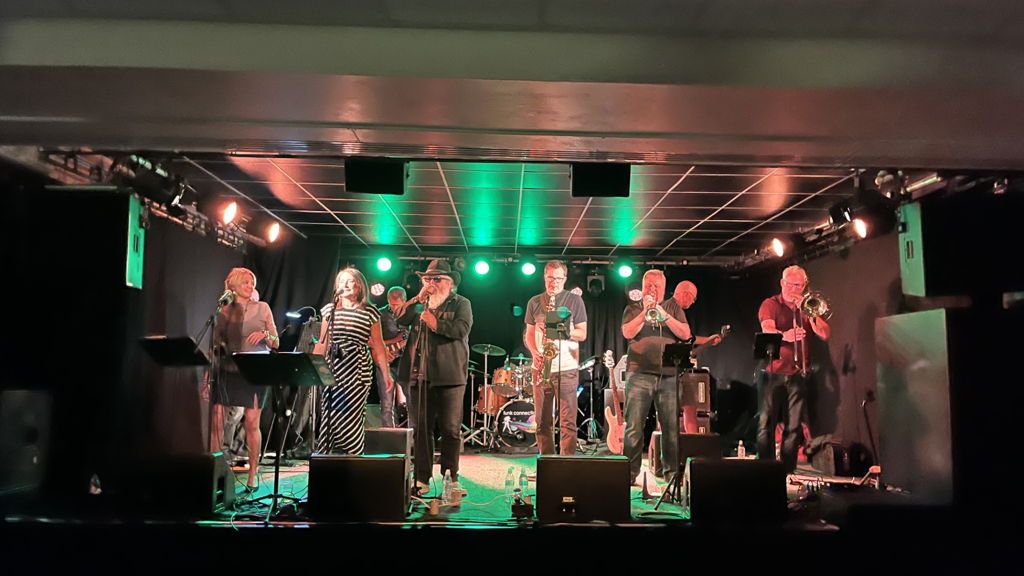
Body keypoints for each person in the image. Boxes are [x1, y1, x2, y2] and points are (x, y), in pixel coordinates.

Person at [396, 259, 473, 494]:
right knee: (421, 429)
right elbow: (400, 319)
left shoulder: (461, 303)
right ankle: (422, 478)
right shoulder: (420, 304)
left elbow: (462, 329)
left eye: (437, 279)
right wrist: (416, 300)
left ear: (450, 283)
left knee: (450, 430)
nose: (431, 283)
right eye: (427, 279)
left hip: (450, 376)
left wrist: (436, 324)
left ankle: (451, 476)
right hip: (419, 375)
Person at [757, 265, 831, 473]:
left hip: (798, 374)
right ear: (782, 283)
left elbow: (825, 334)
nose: (794, 289)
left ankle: (787, 471)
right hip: (772, 372)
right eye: (790, 285)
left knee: (794, 427)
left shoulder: (806, 306)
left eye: (798, 285)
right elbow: (767, 329)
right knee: (766, 425)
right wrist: (785, 336)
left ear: (805, 285)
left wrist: (810, 314)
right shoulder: (771, 304)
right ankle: (765, 469)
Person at [210, 267, 279, 490]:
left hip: (255, 370)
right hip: (228, 369)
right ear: (233, 285)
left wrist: (265, 335)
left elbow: (276, 341)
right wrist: (208, 374)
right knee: (217, 420)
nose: (250, 286)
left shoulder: (262, 308)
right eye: (245, 282)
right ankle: (214, 471)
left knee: (251, 422)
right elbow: (215, 346)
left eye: (252, 283)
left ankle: (253, 473)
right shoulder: (224, 310)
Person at [620, 269, 691, 484]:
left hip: (668, 375)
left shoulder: (673, 307)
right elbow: (627, 332)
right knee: (633, 427)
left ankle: (671, 475)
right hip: (639, 373)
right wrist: (645, 312)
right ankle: (628, 475)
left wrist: (664, 314)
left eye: (656, 286)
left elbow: (685, 334)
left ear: (664, 288)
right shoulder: (633, 308)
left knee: (670, 428)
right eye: (648, 286)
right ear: (642, 288)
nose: (651, 289)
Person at [314, 267, 394, 455]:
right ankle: (327, 457)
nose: (346, 284)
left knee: (351, 414)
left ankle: (352, 456)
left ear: (359, 286)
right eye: (342, 281)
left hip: (357, 370)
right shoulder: (329, 310)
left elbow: (379, 346)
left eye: (350, 281)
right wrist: (314, 368)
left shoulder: (370, 312)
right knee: (330, 413)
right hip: (333, 368)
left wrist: (386, 374)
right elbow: (323, 342)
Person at [524, 260, 587, 455]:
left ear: (565, 279)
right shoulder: (534, 302)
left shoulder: (575, 300)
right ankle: (547, 462)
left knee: (568, 421)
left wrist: (564, 330)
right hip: (541, 367)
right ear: (544, 277)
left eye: (559, 279)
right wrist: (534, 353)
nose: (554, 282)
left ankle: (566, 465)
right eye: (551, 278)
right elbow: (528, 334)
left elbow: (582, 334)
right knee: (542, 421)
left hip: (566, 367)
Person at [666, 281, 722, 433]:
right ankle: (672, 443)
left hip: (680, 368)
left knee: (690, 406)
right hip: (670, 369)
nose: (693, 302)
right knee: (672, 410)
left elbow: (688, 338)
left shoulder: (676, 310)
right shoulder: (672, 308)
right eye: (693, 298)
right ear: (685, 294)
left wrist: (708, 340)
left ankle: (693, 442)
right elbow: (684, 337)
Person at [376, 286, 409, 427]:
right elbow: (371, 340)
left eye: (397, 305)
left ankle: (412, 435)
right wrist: (387, 347)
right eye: (392, 304)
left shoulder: (412, 314)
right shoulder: (379, 314)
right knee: (386, 403)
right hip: (385, 361)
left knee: (410, 401)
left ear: (405, 301)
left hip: (405, 361)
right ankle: (388, 435)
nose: (394, 308)